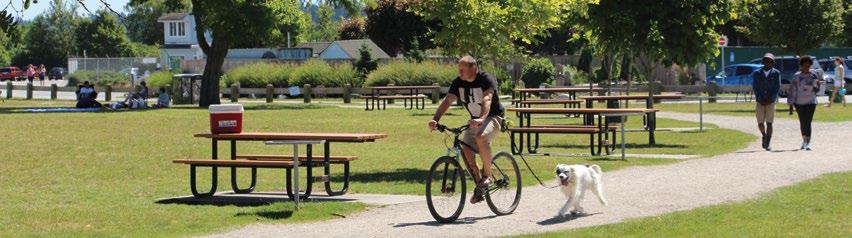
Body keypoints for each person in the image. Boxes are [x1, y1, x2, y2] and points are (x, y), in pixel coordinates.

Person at [427, 56, 505, 204]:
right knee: (465, 149)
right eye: (459, 69)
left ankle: (487, 175)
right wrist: (435, 120)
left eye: (462, 69)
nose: (460, 72)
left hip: (493, 117)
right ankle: (479, 187)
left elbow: (487, 99)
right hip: (475, 120)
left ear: (473, 68)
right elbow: (448, 100)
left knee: (481, 136)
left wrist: (482, 118)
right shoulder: (458, 82)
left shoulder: (485, 79)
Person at [787, 56, 821, 151]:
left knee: (808, 122)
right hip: (799, 103)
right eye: (805, 66)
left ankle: (808, 143)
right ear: (801, 66)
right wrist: (791, 105)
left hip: (811, 102)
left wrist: (818, 85)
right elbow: (792, 91)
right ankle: (804, 140)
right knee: (802, 121)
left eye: (808, 66)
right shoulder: (797, 76)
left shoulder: (813, 75)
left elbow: (816, 90)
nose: (807, 68)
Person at [751, 53, 781, 151]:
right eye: (766, 60)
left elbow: (777, 87)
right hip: (760, 101)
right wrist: (759, 98)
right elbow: (755, 87)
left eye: (770, 61)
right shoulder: (757, 73)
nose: (768, 62)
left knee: (769, 123)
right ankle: (763, 135)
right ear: (763, 62)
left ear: (773, 62)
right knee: (760, 122)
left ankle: (768, 141)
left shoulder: (776, 73)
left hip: (770, 101)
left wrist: (771, 98)